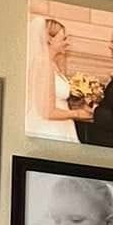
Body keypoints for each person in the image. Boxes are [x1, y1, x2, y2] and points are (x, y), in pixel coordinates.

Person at [26, 13, 79, 141]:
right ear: (50, 39)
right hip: (50, 129)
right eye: (63, 39)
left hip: (61, 124)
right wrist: (80, 114)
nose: (67, 43)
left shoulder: (52, 64)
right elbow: (47, 111)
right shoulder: (43, 63)